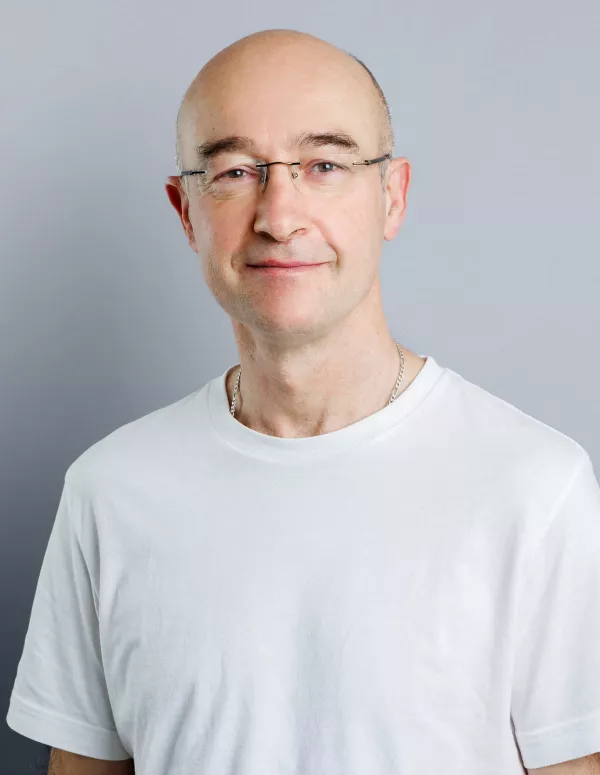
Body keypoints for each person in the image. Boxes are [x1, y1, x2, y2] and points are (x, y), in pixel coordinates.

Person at [6, 28, 600, 775]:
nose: (279, 216)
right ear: (185, 211)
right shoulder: (109, 491)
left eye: (324, 165)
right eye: (234, 171)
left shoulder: (532, 486)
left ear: (392, 197)